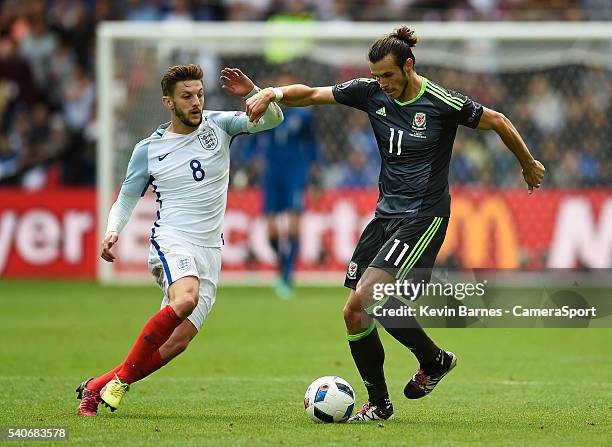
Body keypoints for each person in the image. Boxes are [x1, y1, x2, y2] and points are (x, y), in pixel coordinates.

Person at [246, 26, 545, 422]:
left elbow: (498, 120)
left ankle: (432, 361)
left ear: (408, 66)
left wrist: (528, 164)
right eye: (375, 76)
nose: (381, 83)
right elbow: (316, 94)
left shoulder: (441, 101)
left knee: (371, 297)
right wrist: (275, 93)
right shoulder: (371, 93)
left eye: (387, 75)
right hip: (384, 216)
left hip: (423, 217)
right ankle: (391, 395)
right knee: (354, 313)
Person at [76, 64, 283, 416]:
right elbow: (127, 197)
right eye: (187, 97)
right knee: (185, 299)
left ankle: (97, 386)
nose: (196, 103)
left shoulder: (219, 125)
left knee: (177, 343)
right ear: (168, 102)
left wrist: (253, 92)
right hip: (172, 240)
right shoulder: (148, 149)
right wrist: (113, 230)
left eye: (199, 95)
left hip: (209, 250)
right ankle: (122, 382)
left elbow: (273, 119)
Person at [240, 73, 321, 298]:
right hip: (272, 173)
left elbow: (312, 144)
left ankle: (287, 275)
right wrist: (246, 164)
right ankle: (282, 266)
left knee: (293, 226)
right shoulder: (267, 113)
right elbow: (252, 142)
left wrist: (315, 175)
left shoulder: (303, 116)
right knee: (271, 229)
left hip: (295, 172)